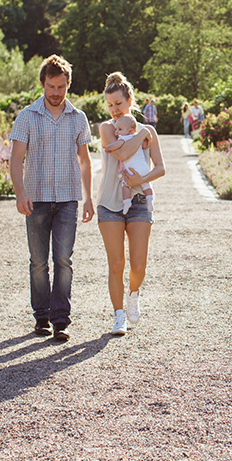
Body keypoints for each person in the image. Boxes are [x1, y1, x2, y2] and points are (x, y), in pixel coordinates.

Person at [9, 55, 94, 342]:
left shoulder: (78, 118)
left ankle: (61, 321)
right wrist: (20, 193)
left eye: (61, 87)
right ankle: (41, 317)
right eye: (51, 86)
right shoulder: (27, 116)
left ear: (69, 84)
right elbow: (16, 158)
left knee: (63, 260)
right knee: (38, 262)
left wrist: (89, 198)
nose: (56, 93)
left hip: (68, 199)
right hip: (36, 199)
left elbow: (84, 161)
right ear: (43, 84)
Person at [97, 72, 165, 336]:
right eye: (110, 105)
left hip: (138, 202)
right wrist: (143, 131)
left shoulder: (151, 133)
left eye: (118, 104)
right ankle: (118, 316)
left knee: (138, 265)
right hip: (109, 202)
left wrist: (143, 178)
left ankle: (133, 295)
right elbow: (123, 152)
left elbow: (160, 168)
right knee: (116, 264)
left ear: (130, 101)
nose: (114, 110)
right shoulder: (106, 129)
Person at [104, 113, 155, 214]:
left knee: (125, 186)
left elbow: (116, 145)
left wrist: (108, 148)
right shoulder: (137, 137)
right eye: (116, 129)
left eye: (119, 129)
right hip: (143, 168)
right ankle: (150, 200)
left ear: (130, 131)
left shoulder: (124, 138)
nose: (116, 132)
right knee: (146, 185)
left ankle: (127, 203)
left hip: (131, 169)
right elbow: (145, 145)